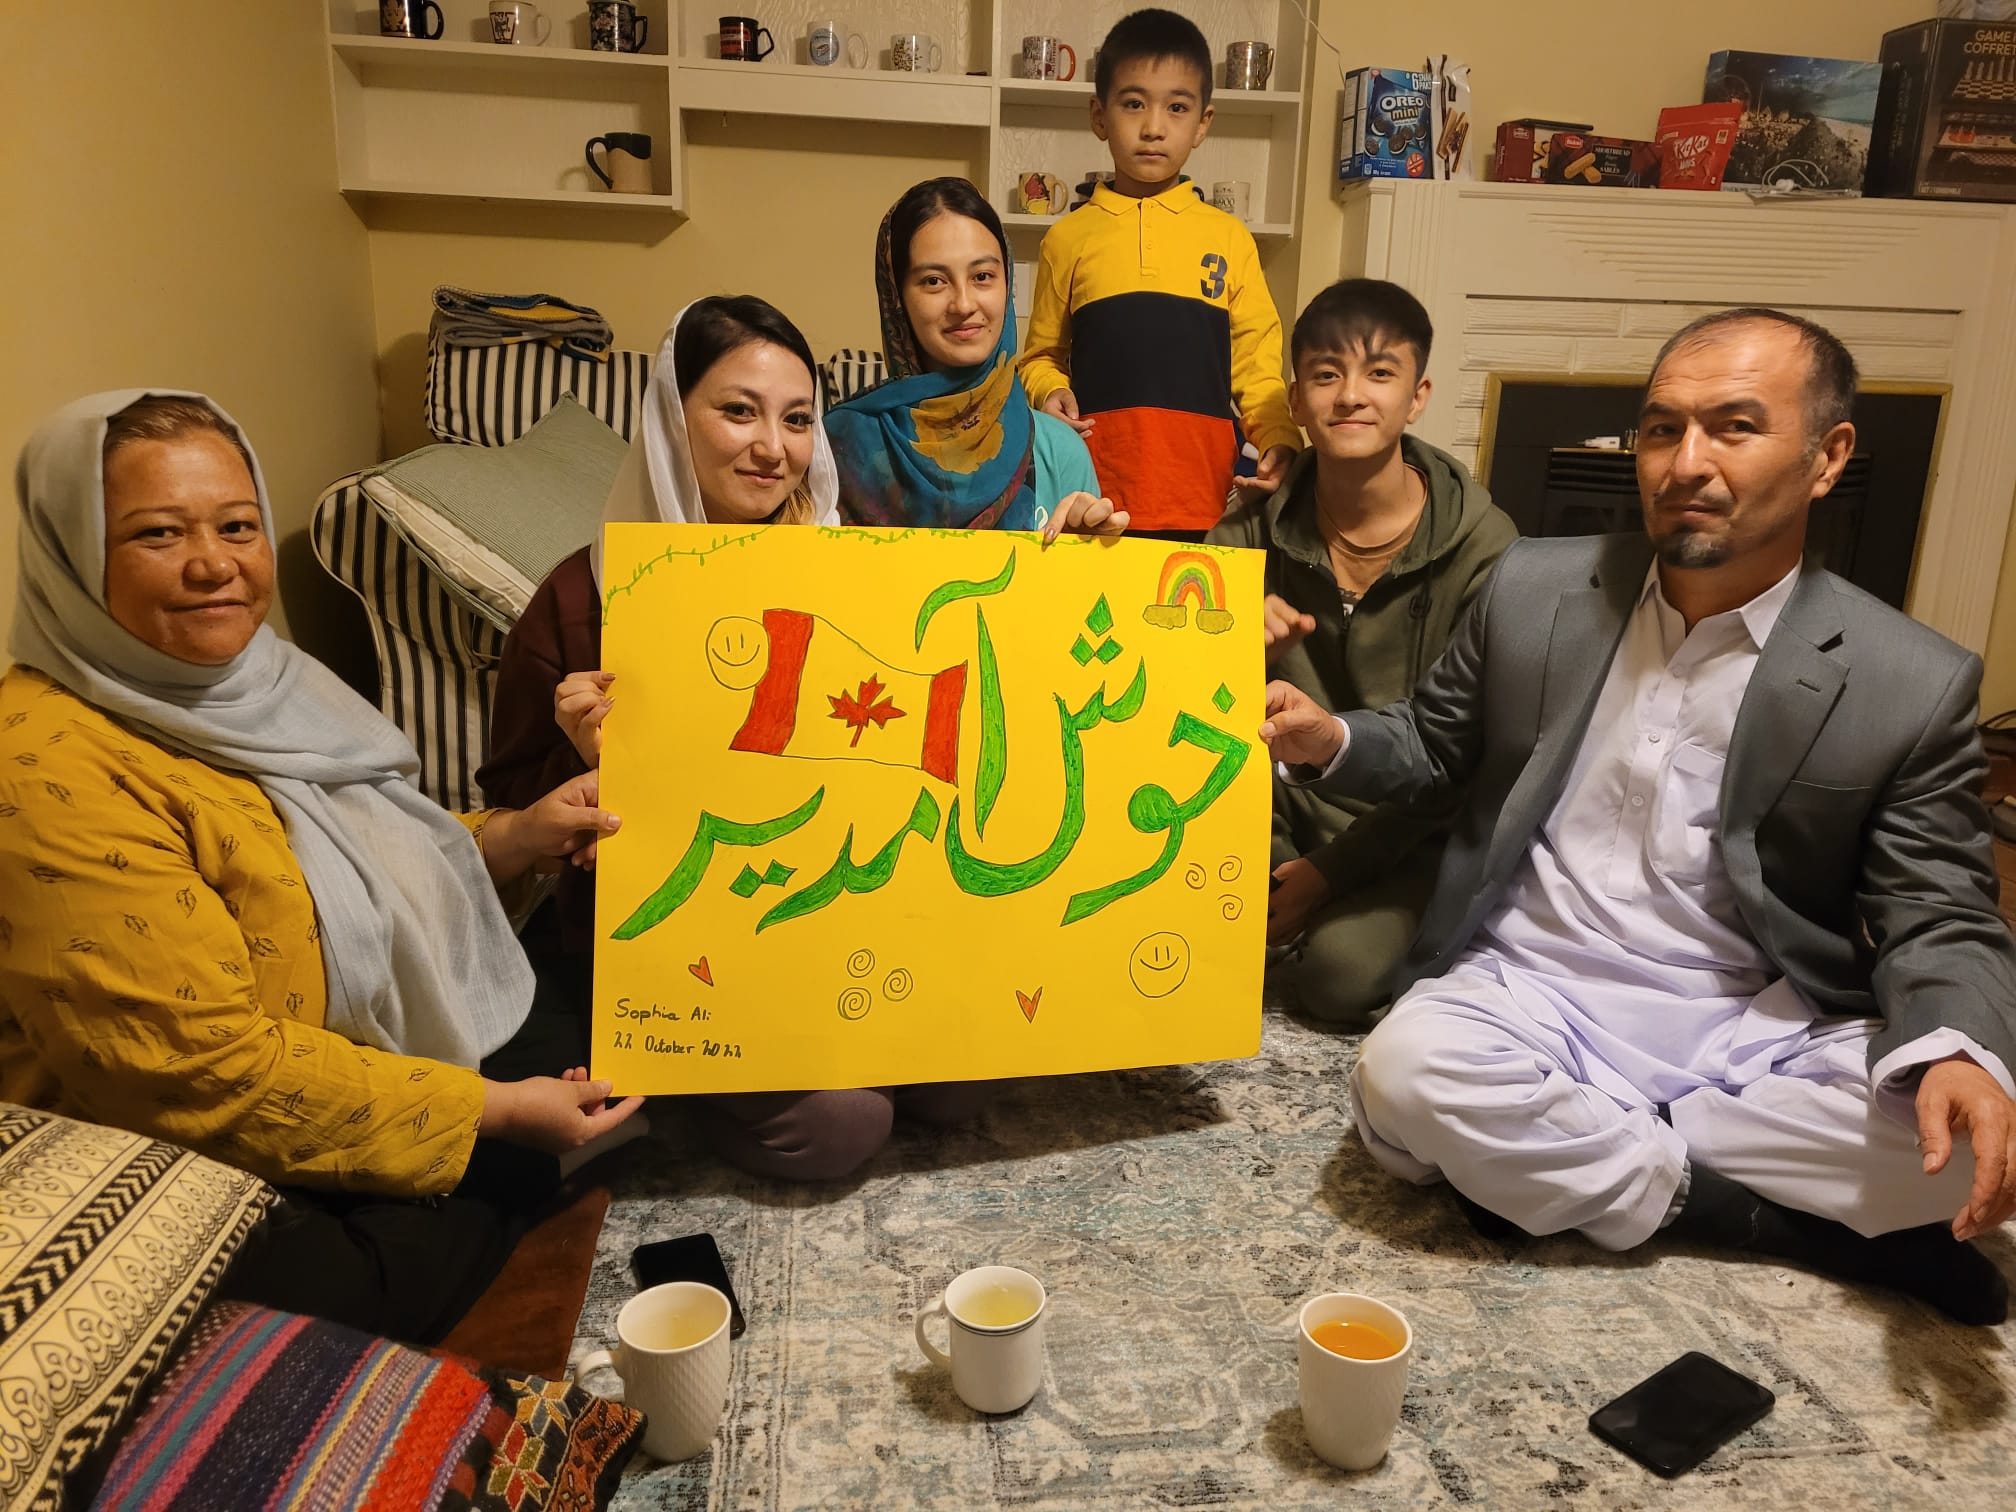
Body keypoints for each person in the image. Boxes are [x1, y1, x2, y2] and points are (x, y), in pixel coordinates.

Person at [1260, 308, 2016, 1325]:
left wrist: (1962, 1051)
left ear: (1828, 457)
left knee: (1970, 1128)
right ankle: (1754, 1218)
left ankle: (1562, 1166)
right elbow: (1435, 747)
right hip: (1531, 997)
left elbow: (1942, 912)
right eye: (1661, 430)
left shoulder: (1905, 680)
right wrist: (1330, 740)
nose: (1684, 463)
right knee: (1407, 1075)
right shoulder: (1534, 589)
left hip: (1750, 1033)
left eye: (1734, 428)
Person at [1, 390, 644, 1343]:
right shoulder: (43, 762)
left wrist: (513, 836)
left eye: (237, 525)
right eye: (154, 534)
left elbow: (361, 863)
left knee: (610, 1032)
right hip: (183, 1134)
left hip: (368, 1037)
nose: (213, 564)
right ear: (71, 551)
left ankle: (501, 1165)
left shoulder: (258, 678)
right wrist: (496, 1114)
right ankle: (502, 1172)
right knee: (378, 1282)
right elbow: (200, 1072)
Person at [483, 295, 986, 1181]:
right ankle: (675, 1080)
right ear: (671, 419)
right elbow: (505, 818)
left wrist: (1076, 554)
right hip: (668, 948)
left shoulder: (853, 572)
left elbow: (956, 692)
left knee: (958, 1087)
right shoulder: (577, 599)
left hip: (834, 917)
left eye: (797, 420)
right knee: (844, 1126)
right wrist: (586, 760)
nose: (773, 448)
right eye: (738, 411)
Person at [1210, 279, 1514, 1027]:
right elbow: (1179, 709)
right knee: (1189, 940)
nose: (1350, 396)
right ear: (1297, 398)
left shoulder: (1487, 548)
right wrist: (1229, 654)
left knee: (1336, 981)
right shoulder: (1246, 531)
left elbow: (1460, 760)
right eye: (1326, 374)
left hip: (1414, 826)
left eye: (1379, 373)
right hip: (1274, 807)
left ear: (1417, 396)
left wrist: (1324, 877)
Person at [1019, 7, 1301, 540]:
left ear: (1202, 124)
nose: (1153, 127)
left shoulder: (1230, 239)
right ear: (1100, 116)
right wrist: (1048, 391)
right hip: (1095, 501)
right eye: (1133, 104)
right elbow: (1040, 358)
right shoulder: (1067, 239)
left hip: (1208, 498)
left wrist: (1280, 439)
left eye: (1176, 107)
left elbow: (1258, 370)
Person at [825, 176, 1125, 538]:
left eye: (982, 276)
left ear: (1007, 283)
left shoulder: (1058, 450)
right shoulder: (837, 445)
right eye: (934, 281)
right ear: (897, 299)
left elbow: (1086, 594)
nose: (964, 305)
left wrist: (1084, 555)